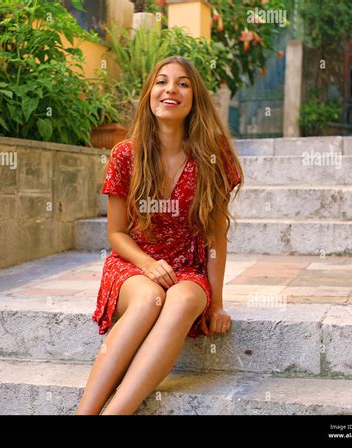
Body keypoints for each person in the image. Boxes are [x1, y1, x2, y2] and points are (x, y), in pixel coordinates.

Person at [76, 55, 243, 415]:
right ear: (150, 93)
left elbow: (216, 236)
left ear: (194, 98)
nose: (171, 89)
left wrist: (215, 304)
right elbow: (117, 233)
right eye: (162, 81)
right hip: (133, 263)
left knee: (181, 301)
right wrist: (148, 264)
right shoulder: (126, 154)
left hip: (188, 266)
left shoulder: (214, 154)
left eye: (183, 83)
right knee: (150, 299)